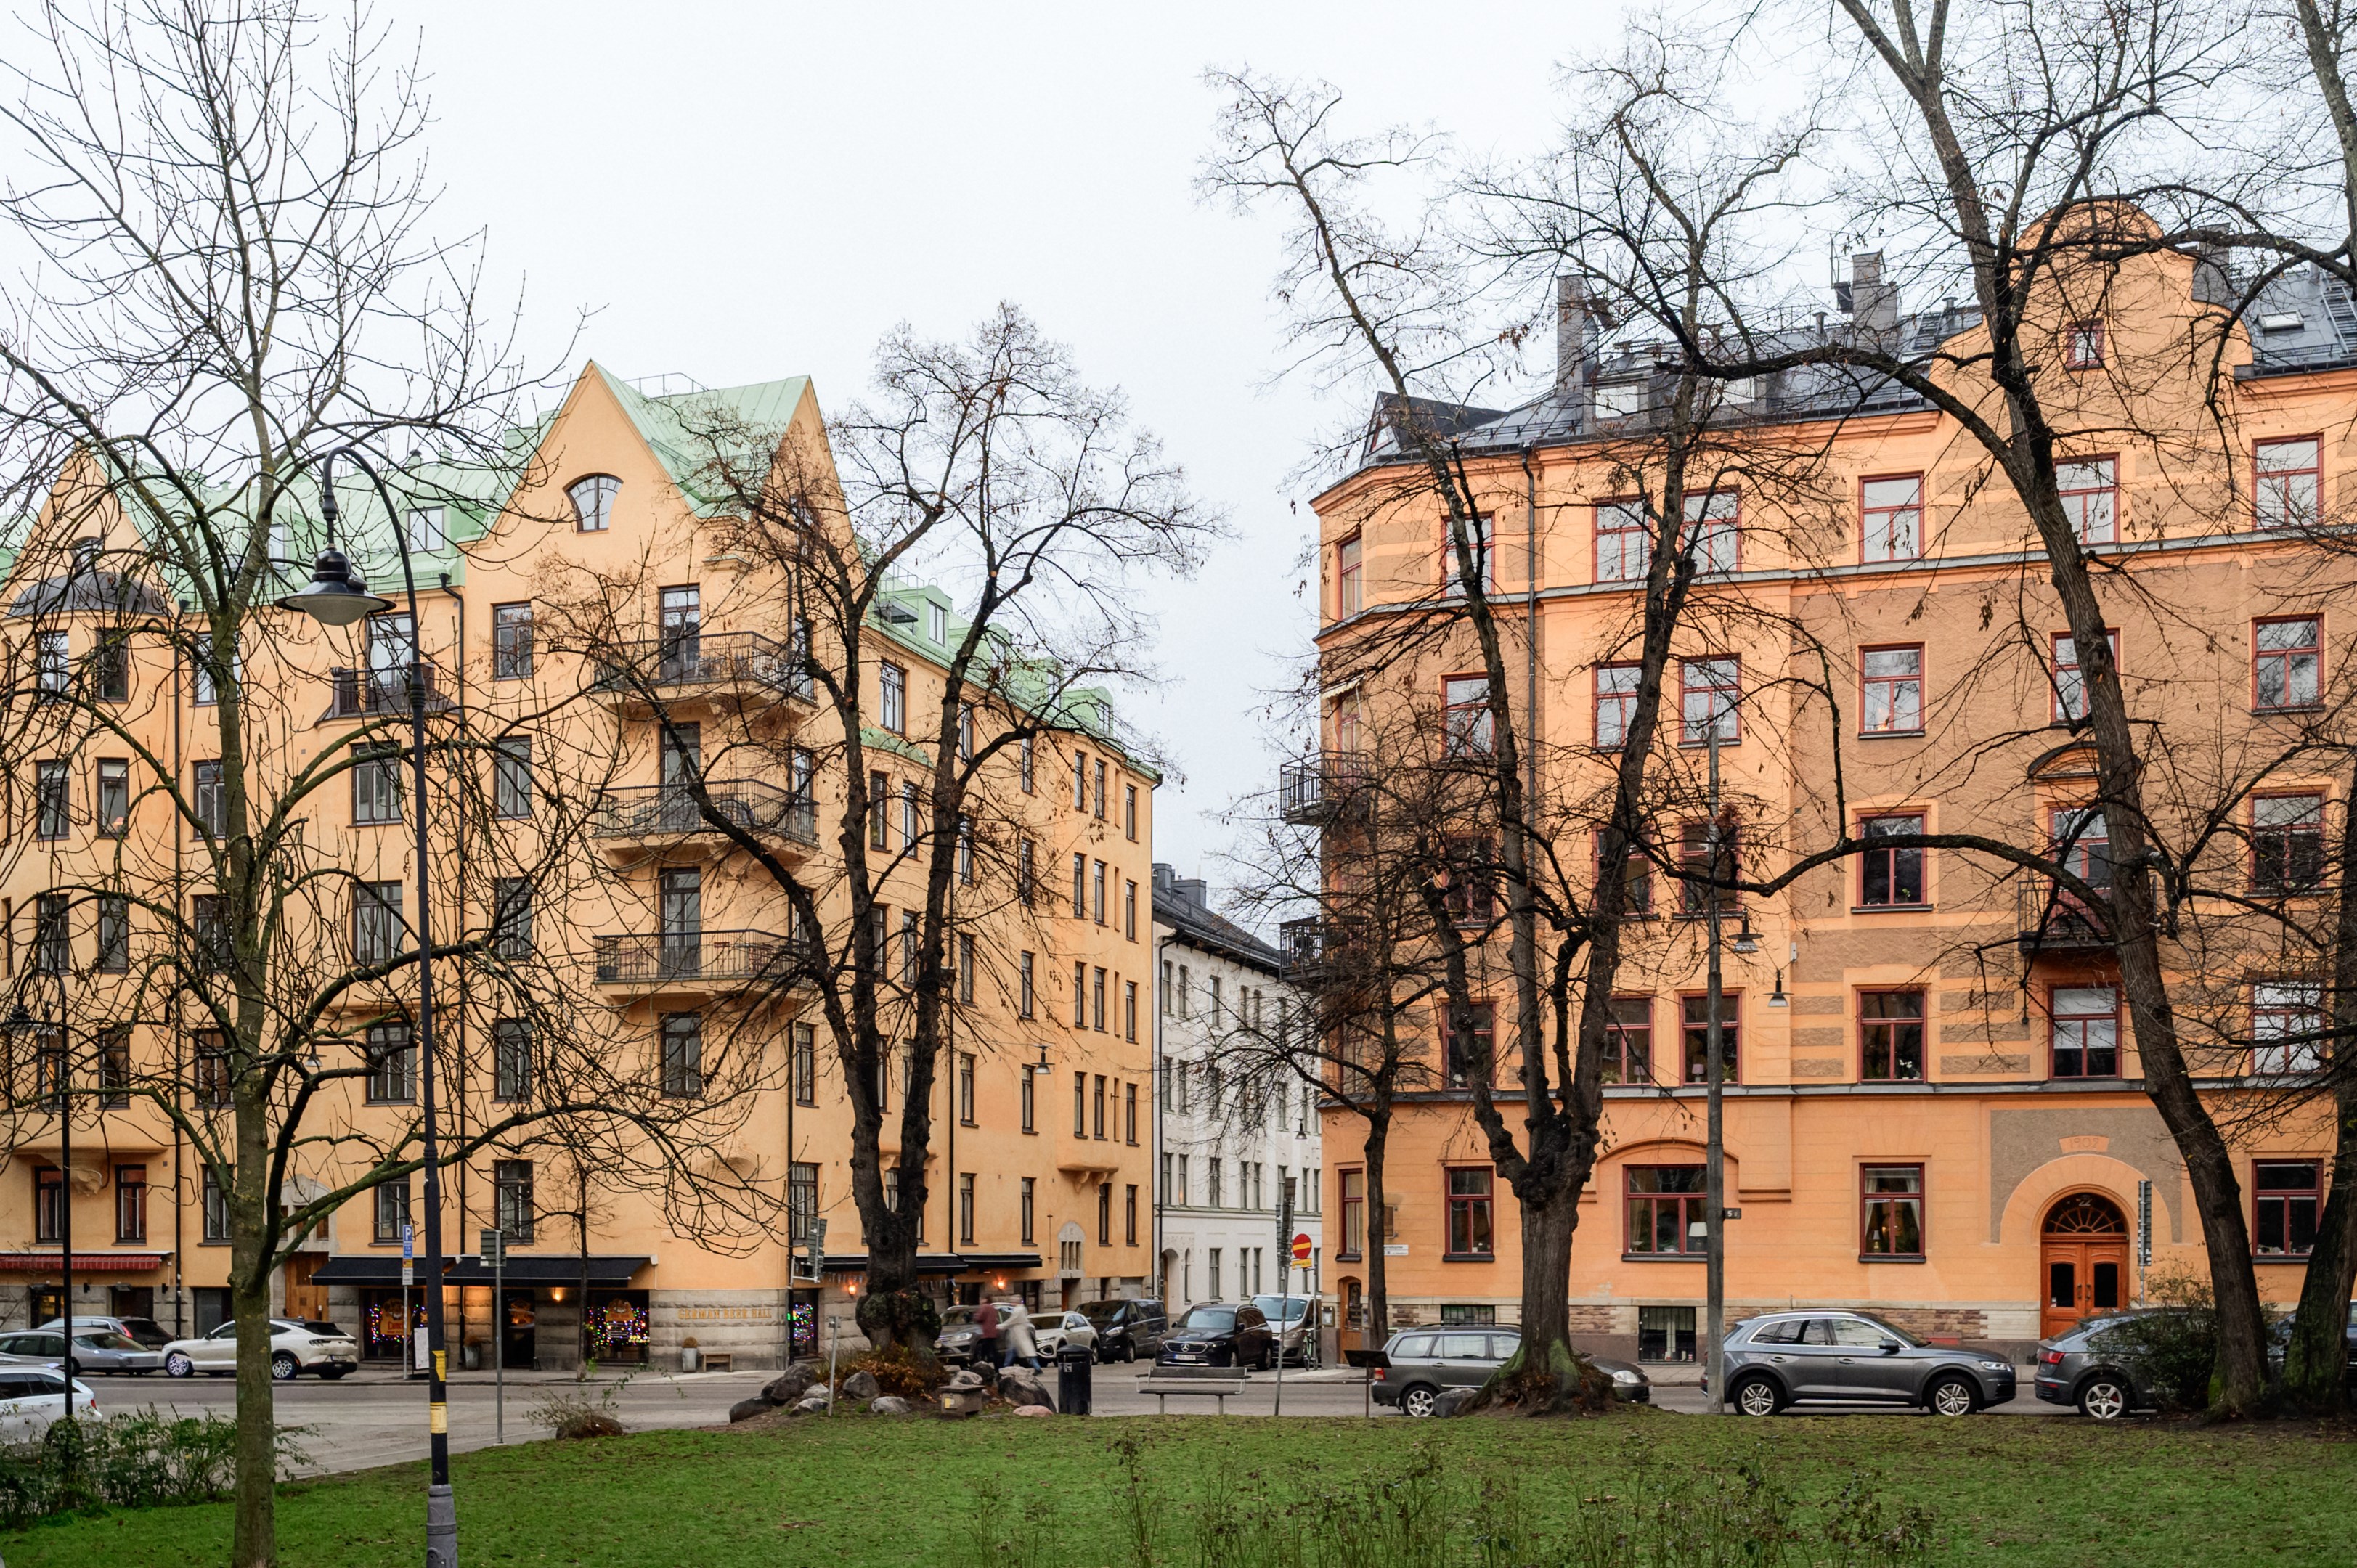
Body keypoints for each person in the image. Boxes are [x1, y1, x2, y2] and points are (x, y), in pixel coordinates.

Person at [1002, 1302, 1041, 1370]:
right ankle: (1037, 1368)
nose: (1012, 1302)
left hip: (1019, 1335)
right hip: (1017, 1336)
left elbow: (1012, 1320)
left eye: (1013, 1301)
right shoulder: (1021, 1309)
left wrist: (1001, 1326)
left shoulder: (1018, 1310)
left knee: (1015, 1352)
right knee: (1024, 1353)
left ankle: (1005, 1367)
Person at [974, 1299, 1001, 1369]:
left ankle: (982, 1366)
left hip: (987, 1332)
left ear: (985, 1300)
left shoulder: (984, 1307)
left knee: (984, 1351)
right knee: (992, 1350)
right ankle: (997, 1367)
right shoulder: (992, 1308)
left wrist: (975, 1316)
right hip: (993, 1332)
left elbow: (979, 1318)